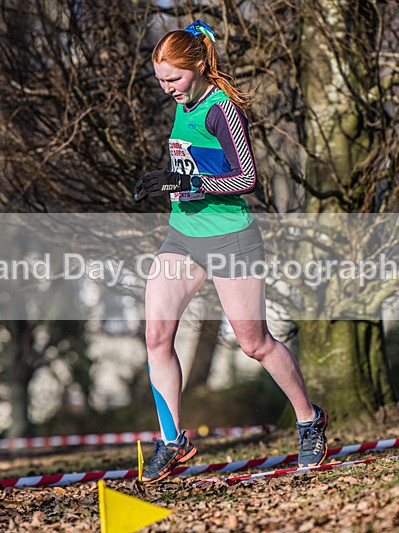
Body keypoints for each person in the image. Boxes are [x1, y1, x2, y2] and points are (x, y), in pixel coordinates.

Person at [133, 20, 328, 484]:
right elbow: (195, 160)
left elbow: (246, 180)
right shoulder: (184, 101)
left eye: (174, 79)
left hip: (230, 238)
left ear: (199, 66)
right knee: (157, 337)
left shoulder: (223, 109)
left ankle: (309, 420)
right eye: (161, 81)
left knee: (254, 344)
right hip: (183, 236)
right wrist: (169, 178)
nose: (168, 90)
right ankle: (172, 439)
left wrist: (188, 182)